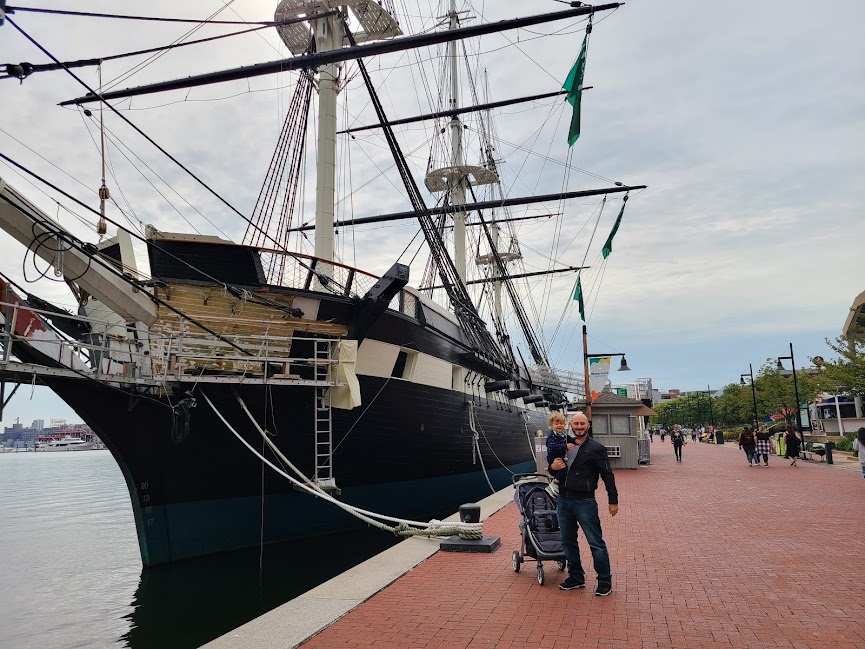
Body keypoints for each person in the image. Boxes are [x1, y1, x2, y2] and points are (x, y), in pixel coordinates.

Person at [550, 412, 618, 596]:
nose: (579, 427)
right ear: (570, 425)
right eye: (576, 424)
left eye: (582, 424)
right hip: (563, 500)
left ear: (587, 425)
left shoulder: (596, 448)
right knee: (568, 542)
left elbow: (607, 475)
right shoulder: (564, 445)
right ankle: (576, 577)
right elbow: (554, 466)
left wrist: (613, 500)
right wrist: (552, 468)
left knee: (595, 543)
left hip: (585, 501)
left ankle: (604, 581)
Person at [545, 412, 575, 496]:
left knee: (563, 469)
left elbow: (570, 440)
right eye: (556, 423)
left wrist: (575, 441)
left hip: (560, 457)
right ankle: (554, 483)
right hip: (553, 457)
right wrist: (565, 446)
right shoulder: (552, 436)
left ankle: (555, 484)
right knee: (564, 469)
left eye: (561, 423)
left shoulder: (563, 435)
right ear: (551, 425)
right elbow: (551, 446)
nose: (559, 425)